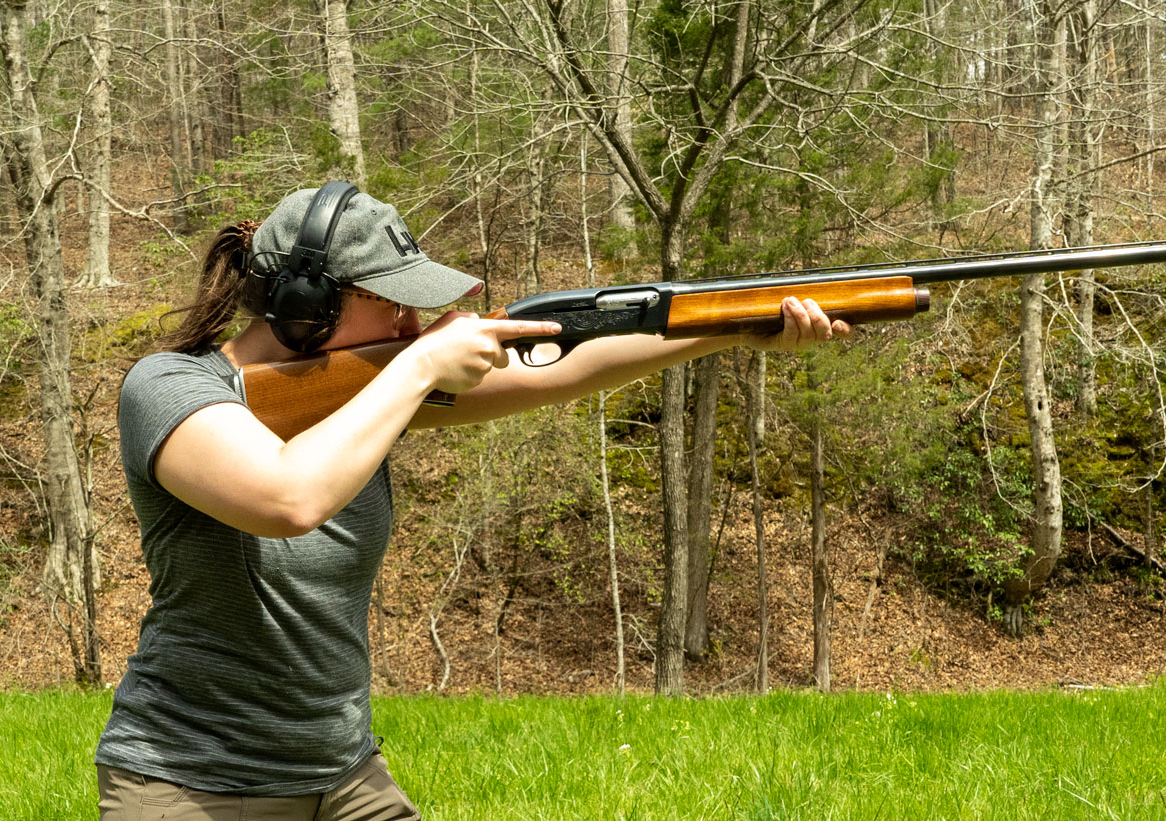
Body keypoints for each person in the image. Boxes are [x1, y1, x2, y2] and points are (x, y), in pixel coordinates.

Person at [97, 184, 851, 820]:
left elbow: (566, 364)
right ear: (306, 305)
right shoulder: (167, 388)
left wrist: (737, 327)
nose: (413, 326)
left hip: (339, 770)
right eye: (393, 305)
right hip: (187, 780)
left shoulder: (372, 391)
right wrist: (421, 364)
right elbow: (289, 495)